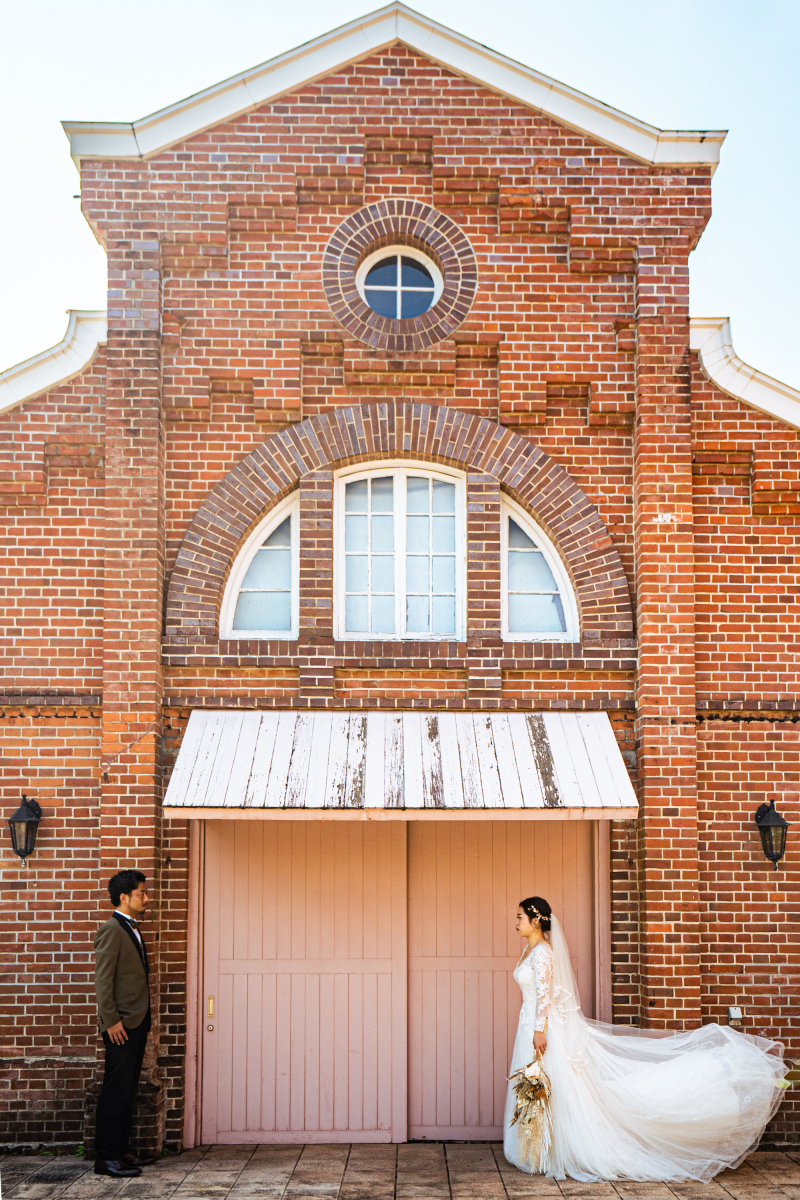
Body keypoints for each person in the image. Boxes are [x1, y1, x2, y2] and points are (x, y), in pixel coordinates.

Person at [504, 896, 789, 1182]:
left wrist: (540, 1030)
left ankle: (553, 1151)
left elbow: (544, 997)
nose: (516, 922)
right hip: (528, 1023)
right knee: (539, 1086)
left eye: (520, 917)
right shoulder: (529, 951)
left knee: (553, 1087)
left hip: (542, 1027)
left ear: (536, 920)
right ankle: (535, 1148)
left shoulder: (542, 953)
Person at [93, 869, 157, 1178]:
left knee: (128, 1089)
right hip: (121, 1026)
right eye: (142, 893)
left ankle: (121, 1151)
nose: (147, 898)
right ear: (124, 897)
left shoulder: (132, 928)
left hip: (137, 1021)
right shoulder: (111, 929)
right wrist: (111, 1021)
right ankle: (105, 1158)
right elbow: (103, 981)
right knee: (115, 1090)